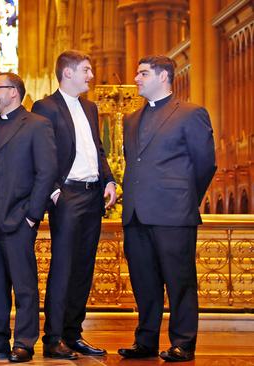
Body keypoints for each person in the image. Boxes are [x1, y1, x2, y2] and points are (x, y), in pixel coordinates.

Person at [118, 55, 216, 362]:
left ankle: (183, 342)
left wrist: (185, 197)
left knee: (179, 280)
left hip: (173, 212)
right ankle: (145, 341)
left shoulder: (190, 113)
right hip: (136, 214)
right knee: (144, 281)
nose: (136, 78)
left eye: (143, 73)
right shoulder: (130, 119)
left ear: (164, 77)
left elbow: (205, 164)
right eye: (137, 73)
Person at [0, 72, 57, 363]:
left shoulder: (37, 125)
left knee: (23, 284)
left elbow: (46, 173)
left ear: (14, 92)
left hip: (18, 218)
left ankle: (25, 342)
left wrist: (32, 216)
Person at [31, 50, 116, 360]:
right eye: (86, 70)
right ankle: (53, 338)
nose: (91, 76)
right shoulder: (46, 107)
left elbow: (99, 150)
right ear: (67, 73)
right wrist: (53, 191)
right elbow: (41, 151)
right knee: (64, 267)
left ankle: (73, 333)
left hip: (93, 195)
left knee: (83, 267)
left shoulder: (91, 108)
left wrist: (109, 181)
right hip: (67, 195)